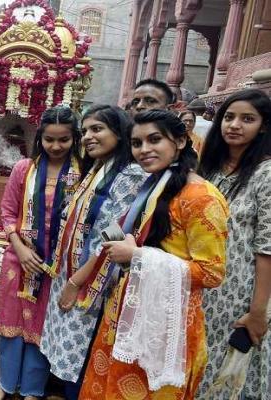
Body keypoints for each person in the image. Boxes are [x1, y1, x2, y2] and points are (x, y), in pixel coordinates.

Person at [79, 110, 228, 399]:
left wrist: (138, 257)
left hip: (165, 324)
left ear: (181, 141)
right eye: (137, 143)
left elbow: (211, 273)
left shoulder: (201, 197)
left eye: (154, 139)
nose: (144, 150)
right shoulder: (153, 184)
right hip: (126, 308)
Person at [39, 105, 149, 399]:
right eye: (85, 130)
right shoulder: (98, 168)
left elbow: (111, 237)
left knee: (85, 358)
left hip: (95, 279)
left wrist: (76, 284)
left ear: (119, 132)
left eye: (97, 129)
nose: (88, 137)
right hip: (75, 273)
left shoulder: (130, 174)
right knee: (70, 350)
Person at [0, 106, 82, 400]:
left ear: (74, 139)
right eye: (49, 139)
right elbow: (7, 212)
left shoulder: (82, 173)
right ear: (40, 137)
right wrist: (19, 248)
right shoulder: (23, 168)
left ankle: (32, 389)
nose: (55, 146)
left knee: (43, 326)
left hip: (57, 265)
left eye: (63, 140)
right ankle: (4, 384)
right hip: (20, 259)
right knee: (11, 322)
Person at [197, 89, 271, 400]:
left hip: (239, 292)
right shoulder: (210, 170)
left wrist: (257, 312)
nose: (235, 125)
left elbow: (267, 247)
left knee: (227, 373)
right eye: (229, 117)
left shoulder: (265, 173)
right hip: (202, 287)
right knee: (197, 363)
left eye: (247, 119)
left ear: (264, 127)